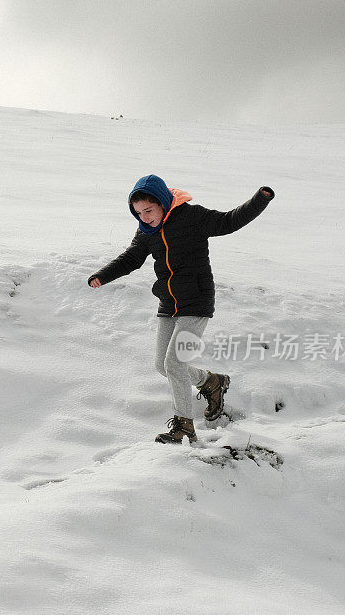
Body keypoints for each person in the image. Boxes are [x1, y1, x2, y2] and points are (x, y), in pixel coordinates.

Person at [88, 174, 274, 444]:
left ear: (163, 203)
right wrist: (102, 276)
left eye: (149, 210)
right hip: (169, 303)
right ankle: (211, 382)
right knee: (163, 366)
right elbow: (131, 258)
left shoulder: (192, 217)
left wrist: (260, 199)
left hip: (196, 302)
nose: (144, 217)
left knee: (174, 363)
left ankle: (184, 426)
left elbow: (229, 221)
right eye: (138, 213)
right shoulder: (146, 232)